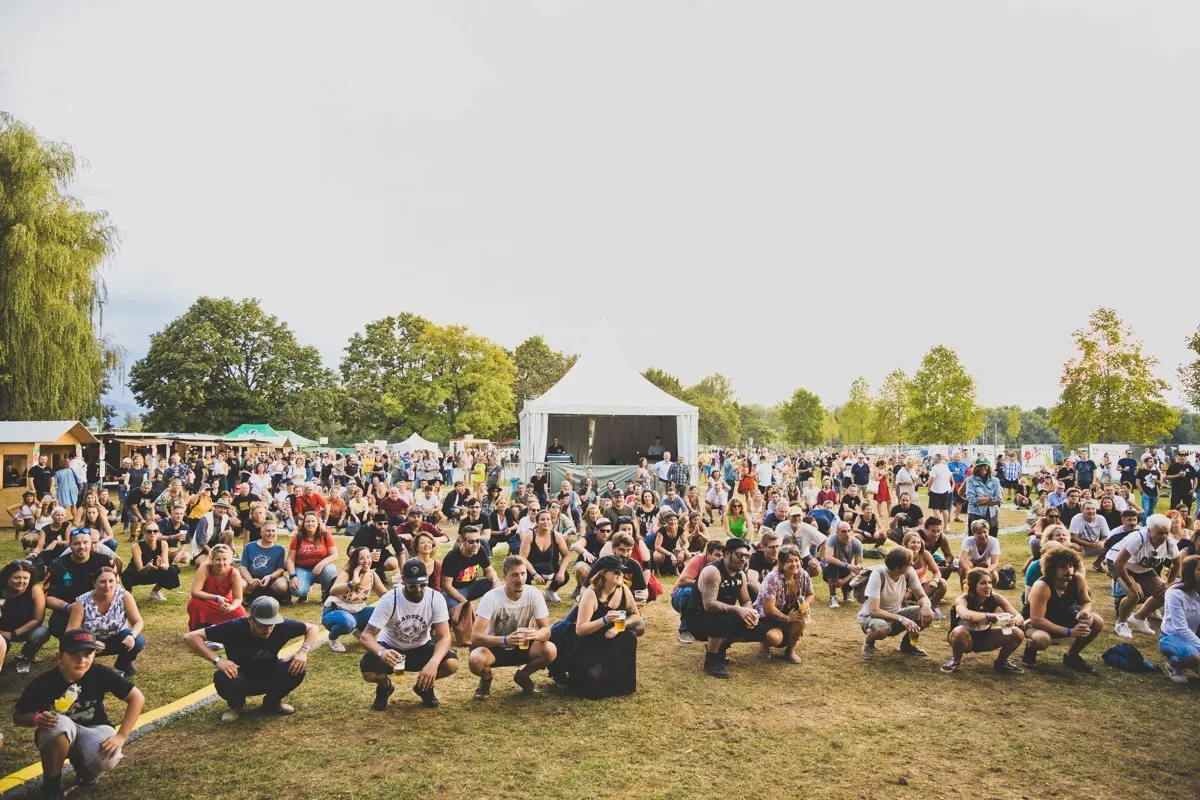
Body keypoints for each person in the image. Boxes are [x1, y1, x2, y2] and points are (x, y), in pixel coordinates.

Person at [14, 629, 145, 799]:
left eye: (88, 653)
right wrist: (37, 718)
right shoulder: (43, 682)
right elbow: (18, 716)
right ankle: (52, 784)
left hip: (93, 728)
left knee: (108, 755)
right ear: (59, 657)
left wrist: (121, 735)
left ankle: (87, 772)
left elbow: (137, 698)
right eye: (73, 654)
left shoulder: (99, 673)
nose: (81, 660)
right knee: (59, 723)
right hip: (56, 734)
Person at [183, 596, 318, 722]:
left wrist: (303, 652)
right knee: (222, 676)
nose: (267, 630)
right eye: (262, 625)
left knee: (298, 668)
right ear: (250, 620)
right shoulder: (234, 627)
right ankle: (236, 706)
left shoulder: (283, 625)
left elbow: (313, 628)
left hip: (270, 673)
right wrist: (218, 660)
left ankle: (272, 702)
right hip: (240, 677)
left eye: (271, 624)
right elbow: (190, 637)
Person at [684, 538, 782, 679]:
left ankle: (721, 648)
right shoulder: (713, 571)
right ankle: (711, 660)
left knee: (759, 630)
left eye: (746, 556)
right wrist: (738, 610)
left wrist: (750, 613)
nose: (743, 560)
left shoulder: (741, 574)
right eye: (739, 555)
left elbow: (746, 600)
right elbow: (709, 604)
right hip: (698, 618)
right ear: (727, 554)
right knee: (722, 619)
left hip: (722, 614)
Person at [468, 556, 557, 699]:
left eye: (523, 574)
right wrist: (505, 640)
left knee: (550, 650)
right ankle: (485, 680)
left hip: (523, 645)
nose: (520, 579)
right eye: (514, 575)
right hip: (495, 647)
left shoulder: (534, 594)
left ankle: (523, 676)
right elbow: (475, 637)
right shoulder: (491, 597)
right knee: (475, 659)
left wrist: (533, 635)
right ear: (504, 577)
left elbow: (546, 630)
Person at [559, 555, 639, 698]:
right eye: (616, 571)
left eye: (621, 571)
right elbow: (580, 629)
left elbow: (635, 615)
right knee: (591, 689)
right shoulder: (591, 593)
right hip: (589, 642)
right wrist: (604, 619)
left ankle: (620, 681)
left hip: (609, 637)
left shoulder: (623, 590)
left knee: (629, 637)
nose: (620, 574)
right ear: (603, 573)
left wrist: (618, 627)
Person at [1020, 545, 1105, 672]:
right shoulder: (1042, 586)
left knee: (1097, 621)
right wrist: (1069, 631)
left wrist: (1084, 612)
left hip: (1061, 617)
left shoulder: (1077, 579)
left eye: (1071, 566)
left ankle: (1072, 656)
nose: (1069, 570)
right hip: (1034, 622)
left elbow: (1086, 601)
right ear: (1052, 568)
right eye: (1063, 566)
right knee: (1043, 640)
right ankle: (1031, 647)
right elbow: (1037, 619)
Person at [941, 568, 1026, 674]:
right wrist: (990, 615)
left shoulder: (996, 598)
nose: (988, 586)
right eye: (983, 583)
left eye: (989, 582)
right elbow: (966, 615)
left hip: (985, 637)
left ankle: (1001, 662)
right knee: (959, 631)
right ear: (973, 586)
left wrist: (1014, 621)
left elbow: (1019, 617)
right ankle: (955, 661)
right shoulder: (962, 599)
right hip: (964, 639)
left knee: (1017, 633)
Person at [1110, 514, 1180, 640]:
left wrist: (1169, 582)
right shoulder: (1138, 538)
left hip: (1142, 567)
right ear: (1149, 530)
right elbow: (1118, 563)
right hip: (1119, 563)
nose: (1163, 536)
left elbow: (1176, 563)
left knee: (1164, 594)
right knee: (1134, 594)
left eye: (1166, 533)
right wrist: (1131, 584)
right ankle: (1121, 623)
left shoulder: (1170, 542)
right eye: (1159, 533)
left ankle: (1139, 617)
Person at [858, 546, 935, 660]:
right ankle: (869, 643)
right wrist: (901, 619)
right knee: (881, 629)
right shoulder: (878, 575)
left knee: (928, 614)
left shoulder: (909, 572)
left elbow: (922, 596)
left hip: (896, 614)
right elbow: (873, 611)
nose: (912, 565)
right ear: (898, 568)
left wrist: (926, 605)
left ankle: (908, 645)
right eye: (909, 563)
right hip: (871, 617)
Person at [66, 567, 145, 677]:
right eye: (102, 582)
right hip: (91, 642)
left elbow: (138, 621)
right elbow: (70, 631)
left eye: (111, 581)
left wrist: (132, 635)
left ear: (116, 581)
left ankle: (123, 664)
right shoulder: (82, 601)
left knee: (138, 641)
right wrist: (90, 641)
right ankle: (85, 666)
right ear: (94, 583)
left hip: (118, 637)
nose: (107, 585)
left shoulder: (124, 596)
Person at [45, 530, 114, 641]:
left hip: (99, 608)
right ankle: (71, 645)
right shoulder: (57, 565)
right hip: (69, 611)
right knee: (57, 625)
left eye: (85, 542)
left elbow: (116, 589)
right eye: (76, 543)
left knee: (136, 642)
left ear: (91, 543)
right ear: (70, 545)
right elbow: (47, 597)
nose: (81, 547)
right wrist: (68, 607)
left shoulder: (105, 561)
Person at [752, 544, 812, 664]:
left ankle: (790, 651)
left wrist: (805, 605)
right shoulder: (773, 579)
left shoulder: (803, 575)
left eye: (797, 560)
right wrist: (787, 618)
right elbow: (768, 609)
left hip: (789, 613)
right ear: (781, 563)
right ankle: (765, 644)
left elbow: (810, 593)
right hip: (769, 618)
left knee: (801, 619)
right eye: (790, 561)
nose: (794, 564)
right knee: (774, 638)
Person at [0, 559, 50, 674]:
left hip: (23, 629)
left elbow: (38, 619)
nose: (21, 581)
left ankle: (25, 656)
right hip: (1, 629)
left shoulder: (35, 589)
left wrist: (12, 634)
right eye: (17, 578)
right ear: (7, 577)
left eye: (25, 578)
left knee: (42, 632)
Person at [671, 540, 724, 644]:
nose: (720, 558)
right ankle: (684, 631)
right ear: (708, 553)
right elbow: (682, 581)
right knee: (688, 592)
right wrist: (704, 583)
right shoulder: (698, 560)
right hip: (679, 598)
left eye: (722, 555)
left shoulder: (723, 565)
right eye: (717, 555)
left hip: (703, 599)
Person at [1159, 554, 1200, 684]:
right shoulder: (1175, 593)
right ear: (1189, 572)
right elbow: (1180, 628)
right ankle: (1174, 664)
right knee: (1196, 658)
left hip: (1193, 636)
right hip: (1171, 637)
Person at [186, 544, 247, 631]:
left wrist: (231, 608)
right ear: (212, 560)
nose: (221, 563)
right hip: (206, 601)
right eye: (218, 559)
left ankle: (225, 631)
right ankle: (198, 631)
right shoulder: (205, 568)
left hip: (225, 604)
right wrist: (216, 598)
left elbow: (238, 598)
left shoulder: (234, 573)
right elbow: (195, 592)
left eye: (225, 559)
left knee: (240, 613)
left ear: (229, 560)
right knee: (194, 604)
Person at [441, 526, 500, 612]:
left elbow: (489, 570)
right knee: (454, 607)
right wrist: (464, 601)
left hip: (472, 586)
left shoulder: (480, 550)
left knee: (494, 582)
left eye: (478, 541)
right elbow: (446, 585)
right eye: (471, 541)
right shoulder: (451, 558)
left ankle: (489, 609)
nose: (475, 545)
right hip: (456, 590)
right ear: (463, 541)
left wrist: (495, 584)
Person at [519, 509, 571, 603]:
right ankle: (528, 594)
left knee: (565, 576)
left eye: (548, 519)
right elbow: (523, 557)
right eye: (542, 519)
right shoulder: (530, 536)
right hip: (533, 567)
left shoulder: (556, 535)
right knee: (522, 573)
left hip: (551, 566)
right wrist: (534, 574)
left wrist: (561, 572)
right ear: (537, 522)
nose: (546, 522)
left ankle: (551, 591)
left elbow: (566, 555)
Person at [287, 513, 339, 602]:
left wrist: (320, 565)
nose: (310, 523)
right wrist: (292, 576)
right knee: (296, 591)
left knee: (329, 571)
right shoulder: (297, 537)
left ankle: (326, 593)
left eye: (313, 521)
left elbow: (334, 555)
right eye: (307, 521)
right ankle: (304, 592)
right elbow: (290, 559)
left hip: (322, 570)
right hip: (303, 570)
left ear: (318, 523)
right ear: (303, 524)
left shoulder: (325, 535)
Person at [121, 522, 180, 602]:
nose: (152, 533)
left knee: (172, 570)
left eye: (155, 531)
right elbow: (140, 570)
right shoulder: (136, 546)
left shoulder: (163, 544)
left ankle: (155, 592)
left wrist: (160, 566)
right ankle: (129, 595)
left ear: (158, 532)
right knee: (127, 574)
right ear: (143, 532)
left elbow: (166, 565)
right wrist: (148, 567)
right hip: (139, 574)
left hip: (154, 571)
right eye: (149, 531)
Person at [238, 521, 291, 604]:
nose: (271, 533)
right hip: (252, 577)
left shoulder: (280, 549)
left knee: (282, 586)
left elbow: (280, 569)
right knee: (240, 585)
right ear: (261, 532)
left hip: (271, 579)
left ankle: (273, 598)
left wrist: (270, 577)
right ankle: (246, 597)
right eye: (268, 531)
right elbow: (242, 567)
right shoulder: (249, 546)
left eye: (273, 531)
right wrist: (250, 580)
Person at [349, 513, 407, 584]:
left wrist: (403, 575)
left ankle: (379, 571)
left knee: (393, 562)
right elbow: (350, 549)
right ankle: (364, 573)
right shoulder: (365, 529)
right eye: (380, 524)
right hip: (363, 556)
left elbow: (400, 550)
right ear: (374, 523)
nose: (383, 526)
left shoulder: (390, 530)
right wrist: (366, 556)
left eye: (385, 524)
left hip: (380, 554)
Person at [823, 521, 864, 609]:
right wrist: (847, 565)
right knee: (831, 566)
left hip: (846, 571)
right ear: (837, 533)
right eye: (843, 531)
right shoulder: (832, 539)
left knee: (861, 574)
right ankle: (832, 596)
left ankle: (846, 593)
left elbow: (859, 566)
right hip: (832, 571)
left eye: (849, 531)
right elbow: (828, 558)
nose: (847, 534)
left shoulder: (857, 543)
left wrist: (844, 580)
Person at [1068, 499, 1112, 572]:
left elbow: (1106, 536)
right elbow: (1073, 536)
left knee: (1112, 544)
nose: (1091, 511)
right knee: (1072, 546)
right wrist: (1090, 544)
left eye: (1093, 509)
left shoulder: (1101, 518)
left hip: (1096, 545)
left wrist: (1102, 542)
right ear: (1082, 510)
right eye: (1088, 509)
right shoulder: (1077, 518)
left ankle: (1098, 563)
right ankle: (1076, 566)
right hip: (1081, 547)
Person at [965, 458, 1002, 537]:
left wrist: (980, 500)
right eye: (980, 466)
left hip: (991, 514)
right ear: (976, 468)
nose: (983, 468)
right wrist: (990, 498)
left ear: (988, 467)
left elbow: (998, 499)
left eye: (985, 466)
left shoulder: (995, 480)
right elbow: (972, 499)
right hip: (975, 514)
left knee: (992, 539)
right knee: (974, 539)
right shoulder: (970, 480)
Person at [959, 519, 1002, 584]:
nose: (983, 535)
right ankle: (965, 591)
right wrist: (971, 573)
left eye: (985, 532)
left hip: (986, 566)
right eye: (979, 533)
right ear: (974, 534)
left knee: (995, 577)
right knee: (963, 570)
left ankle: (988, 591)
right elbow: (961, 561)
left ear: (988, 531)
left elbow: (994, 563)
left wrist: (983, 573)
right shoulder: (967, 541)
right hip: (971, 565)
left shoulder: (994, 541)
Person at [1165, 450, 1198, 515]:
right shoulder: (1173, 466)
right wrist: (1178, 475)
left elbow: (1195, 479)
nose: (1183, 458)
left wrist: (1193, 489)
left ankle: (1186, 523)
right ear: (1178, 457)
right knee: (1173, 508)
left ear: (1187, 457)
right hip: (1176, 490)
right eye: (1181, 456)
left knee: (1187, 508)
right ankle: (1173, 522)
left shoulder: (1190, 467)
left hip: (1187, 490)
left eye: (1184, 456)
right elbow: (1166, 477)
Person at [926, 453, 954, 526]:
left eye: (933, 459)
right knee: (945, 509)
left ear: (936, 459)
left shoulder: (934, 468)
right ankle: (946, 526)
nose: (932, 460)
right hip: (945, 490)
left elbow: (931, 480)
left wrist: (928, 490)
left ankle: (939, 525)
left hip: (936, 490)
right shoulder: (946, 467)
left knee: (936, 509)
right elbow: (949, 479)